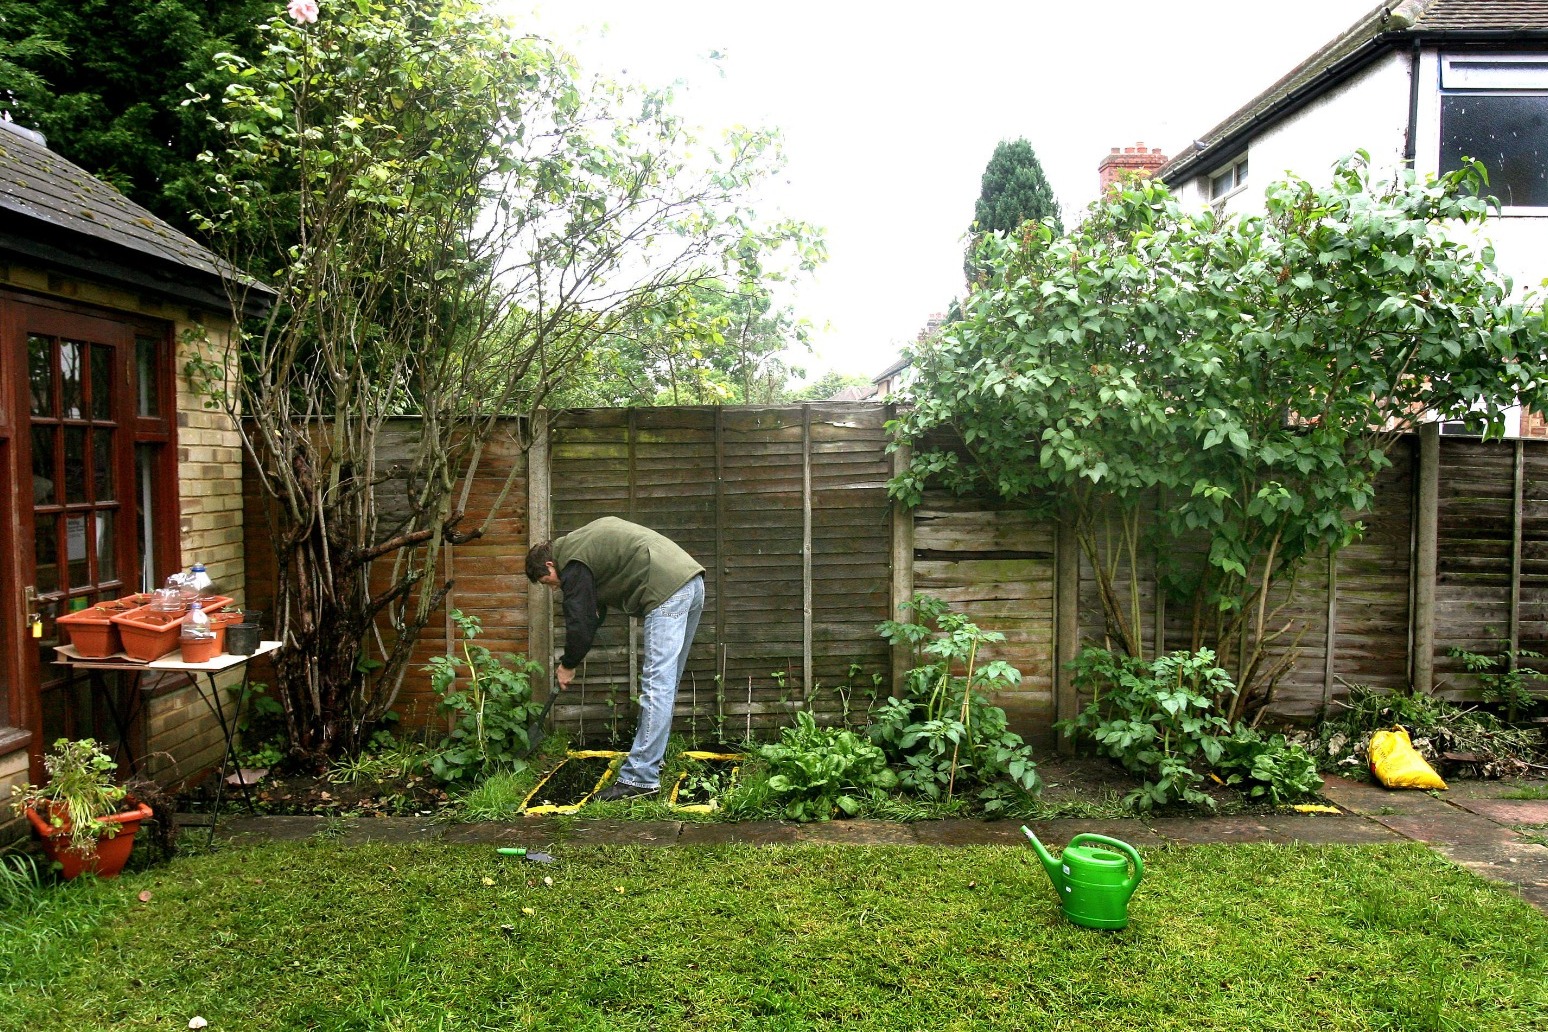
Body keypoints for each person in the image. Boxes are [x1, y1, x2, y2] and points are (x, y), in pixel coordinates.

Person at [524, 516, 705, 801]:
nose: (554, 588)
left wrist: (567, 665)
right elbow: (593, 615)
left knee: (657, 687)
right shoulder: (581, 547)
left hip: (666, 591)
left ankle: (640, 779)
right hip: (690, 583)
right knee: (665, 685)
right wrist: (576, 652)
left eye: (549, 583)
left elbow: (580, 622)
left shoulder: (572, 563)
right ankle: (651, 762)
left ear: (549, 565)